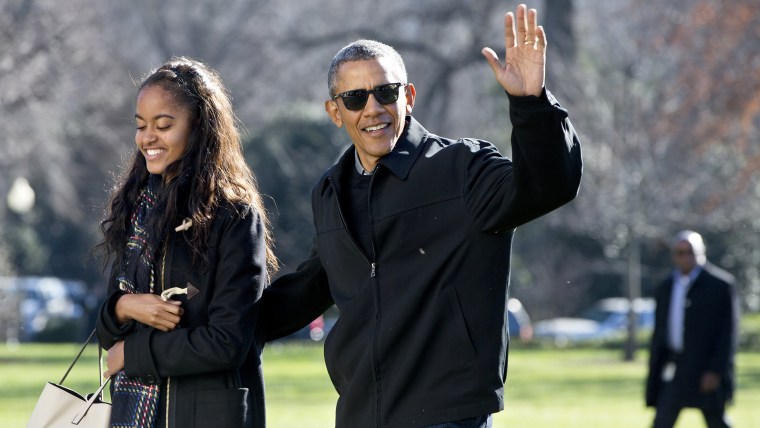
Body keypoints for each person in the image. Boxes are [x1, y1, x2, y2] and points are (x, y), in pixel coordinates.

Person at [260, 4, 582, 427]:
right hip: (360, 414)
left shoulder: (463, 167)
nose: (373, 108)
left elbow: (547, 185)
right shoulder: (331, 190)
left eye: (386, 92)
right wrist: (219, 320)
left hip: (448, 416)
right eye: (356, 98)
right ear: (335, 112)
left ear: (408, 97)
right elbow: (314, 284)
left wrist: (531, 106)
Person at [95, 57, 277, 428]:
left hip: (209, 416)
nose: (148, 138)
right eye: (141, 126)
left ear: (199, 127)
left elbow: (227, 342)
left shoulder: (234, 217)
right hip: (135, 413)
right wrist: (125, 307)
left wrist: (133, 352)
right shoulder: (138, 211)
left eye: (163, 125)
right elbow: (105, 332)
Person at [646, 230, 738, 428]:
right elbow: (660, 333)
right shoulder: (666, 286)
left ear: (702, 252)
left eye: (691, 252)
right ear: (674, 256)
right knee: (661, 421)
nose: (686, 257)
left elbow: (727, 333)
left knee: (716, 420)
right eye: (680, 252)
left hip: (705, 368)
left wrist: (715, 370)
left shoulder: (720, 285)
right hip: (675, 368)